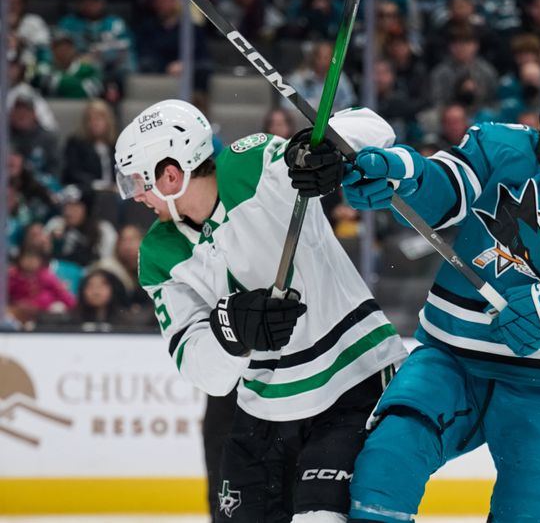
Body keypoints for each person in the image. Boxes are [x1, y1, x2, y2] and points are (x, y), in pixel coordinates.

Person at [292, 54, 540, 522]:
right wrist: (399, 172)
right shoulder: (499, 145)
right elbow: (441, 186)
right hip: (449, 362)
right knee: (384, 468)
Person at [114, 99, 407, 523]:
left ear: (171, 173)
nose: (137, 196)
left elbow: (374, 126)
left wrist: (326, 148)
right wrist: (231, 332)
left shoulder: (255, 165)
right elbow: (203, 372)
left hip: (353, 383)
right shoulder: (159, 255)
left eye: (138, 181)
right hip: (264, 411)